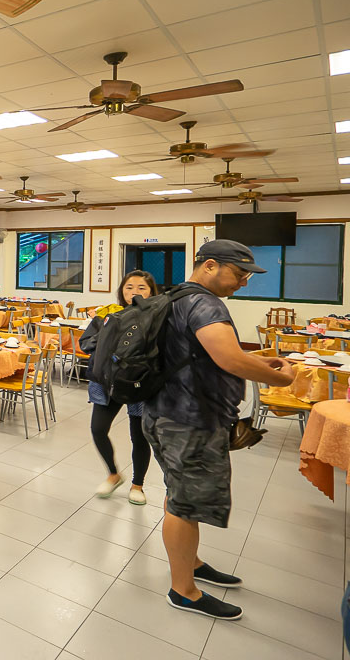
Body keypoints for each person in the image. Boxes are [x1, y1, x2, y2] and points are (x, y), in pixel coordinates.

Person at [144, 240, 295, 621]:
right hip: (189, 421)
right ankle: (184, 591)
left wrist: (257, 359)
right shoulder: (206, 303)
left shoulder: (175, 297)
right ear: (210, 265)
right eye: (239, 274)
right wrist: (280, 379)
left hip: (162, 414)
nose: (243, 282)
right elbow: (227, 358)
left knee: (179, 493)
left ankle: (190, 563)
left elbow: (197, 355)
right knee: (184, 503)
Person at [88, 270, 158, 505]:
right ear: (121, 290)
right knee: (98, 429)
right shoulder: (108, 314)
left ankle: (138, 485)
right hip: (108, 382)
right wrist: (105, 335)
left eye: (141, 288)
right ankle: (113, 473)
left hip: (140, 383)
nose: (134, 292)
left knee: (139, 436)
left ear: (151, 292)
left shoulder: (157, 317)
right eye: (129, 287)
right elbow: (86, 342)